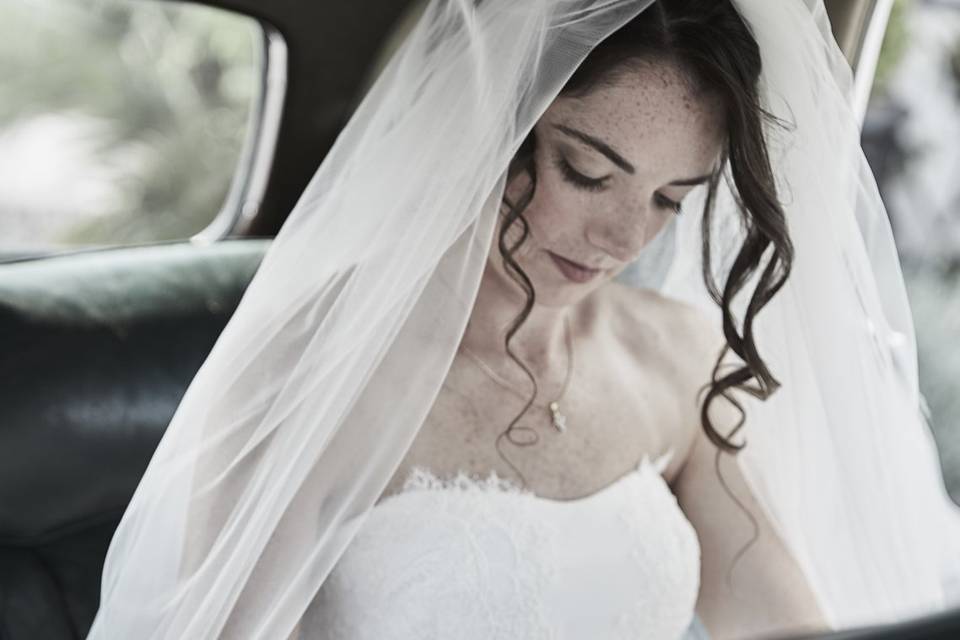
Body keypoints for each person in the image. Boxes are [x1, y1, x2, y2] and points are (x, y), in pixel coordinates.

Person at [86, 1, 960, 639]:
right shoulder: (319, 370)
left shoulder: (674, 359)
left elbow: (780, 620)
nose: (624, 237)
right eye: (587, 172)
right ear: (489, 128)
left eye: (668, 199)